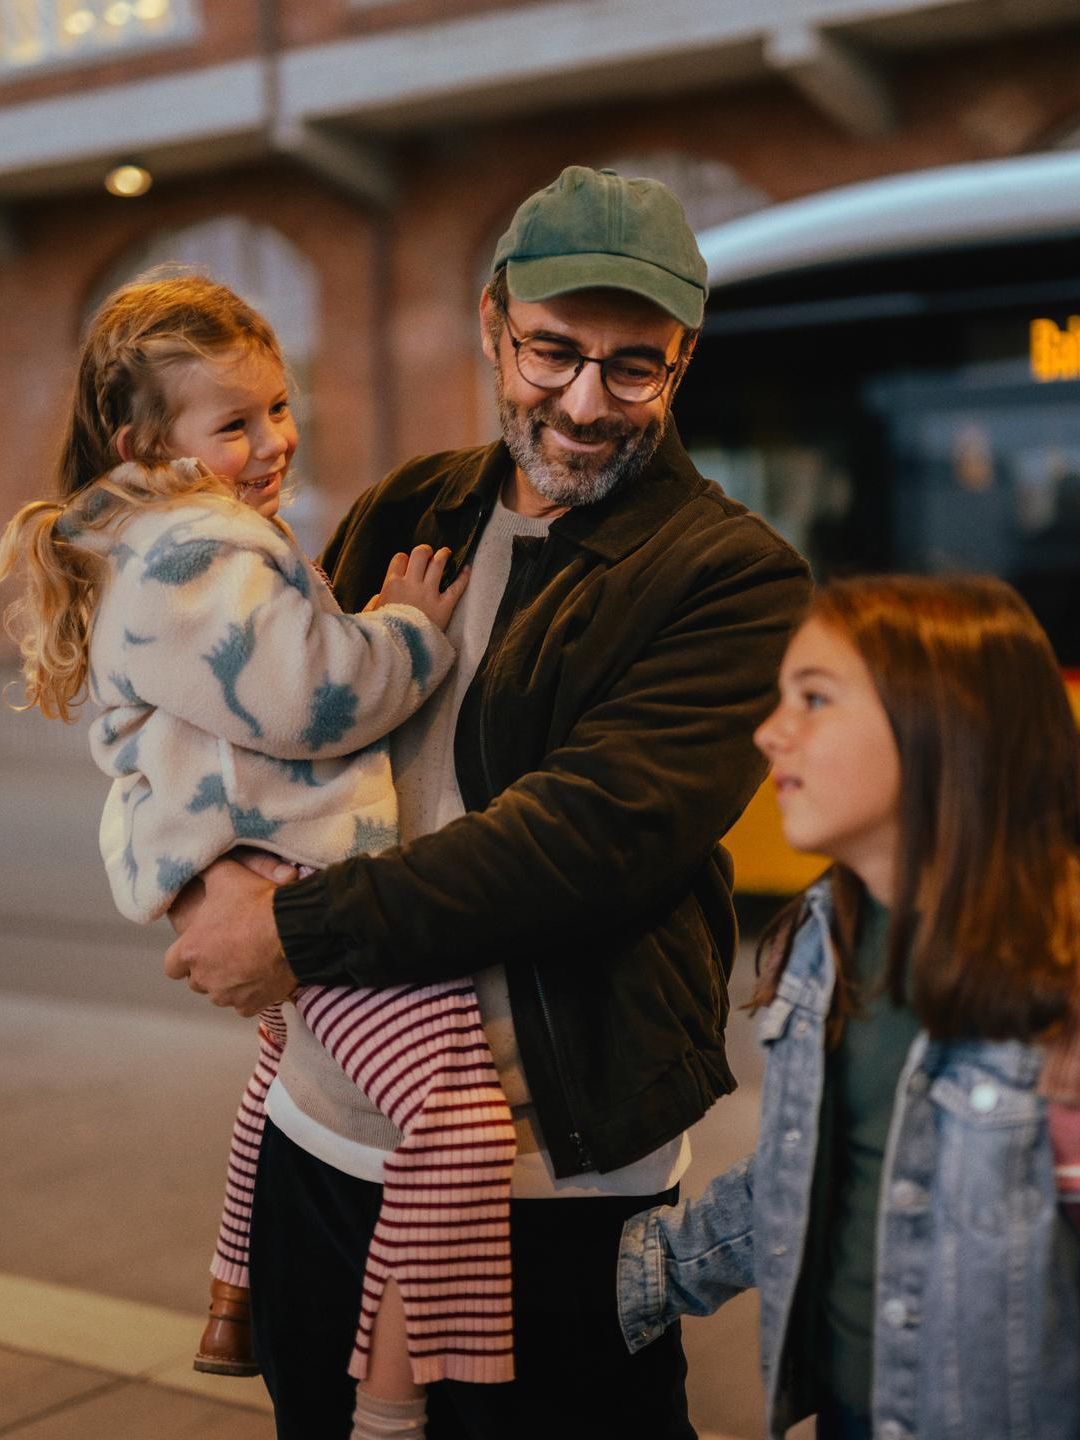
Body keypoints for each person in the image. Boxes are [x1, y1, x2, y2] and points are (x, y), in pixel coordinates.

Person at [163, 165, 812, 1439]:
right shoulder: (412, 506)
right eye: (552, 353)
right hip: (325, 1139)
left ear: (683, 359)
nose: (584, 403)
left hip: (548, 1181)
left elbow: (585, 843)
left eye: (635, 369)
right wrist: (204, 872)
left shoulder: (732, 578)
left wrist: (290, 935)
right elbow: (273, 727)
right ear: (491, 324)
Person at [0, 274, 524, 1440]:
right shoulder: (200, 552)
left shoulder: (145, 542)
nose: (271, 441)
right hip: (309, 878)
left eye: (279, 408)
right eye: (232, 424)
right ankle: (394, 1399)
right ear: (146, 441)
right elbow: (318, 699)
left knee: (280, 1071)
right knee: (458, 1126)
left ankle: (234, 1295)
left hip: (259, 863)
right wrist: (408, 630)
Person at [617, 574, 1080, 1440]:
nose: (770, 732)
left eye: (815, 698)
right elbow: (812, 1170)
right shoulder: (824, 939)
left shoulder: (1059, 981)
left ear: (944, 726)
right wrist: (642, 1279)